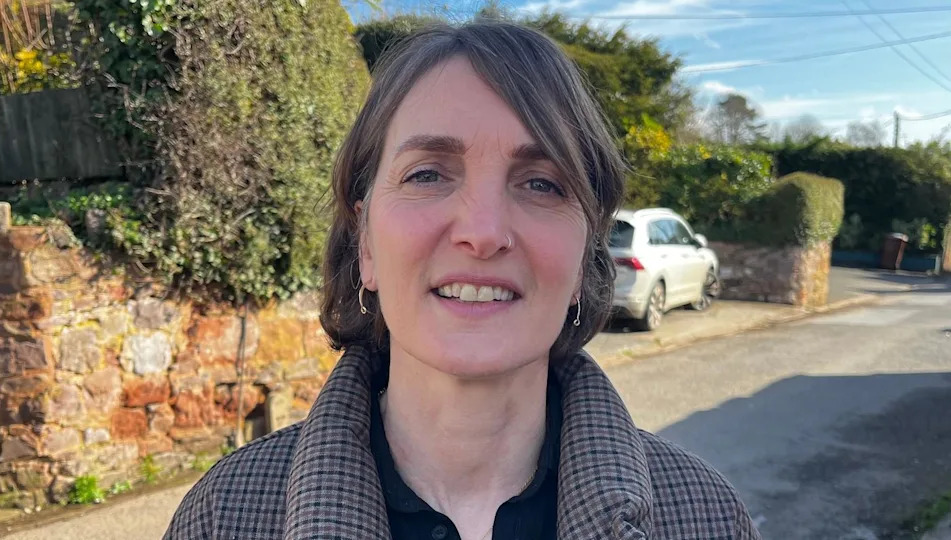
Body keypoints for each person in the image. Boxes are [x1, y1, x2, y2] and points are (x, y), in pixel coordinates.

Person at [166, 20, 760, 540]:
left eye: (542, 184)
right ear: (365, 241)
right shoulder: (223, 518)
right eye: (427, 174)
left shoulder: (706, 517)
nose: (483, 232)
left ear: (585, 256)